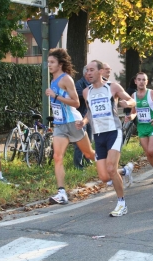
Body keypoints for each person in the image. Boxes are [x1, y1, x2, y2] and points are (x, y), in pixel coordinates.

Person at [78, 60, 135, 217]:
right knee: (104, 176)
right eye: (87, 70)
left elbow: (132, 101)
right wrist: (83, 121)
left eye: (91, 70)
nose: (88, 73)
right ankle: (125, 170)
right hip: (98, 135)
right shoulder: (86, 92)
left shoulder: (112, 87)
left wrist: (126, 102)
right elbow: (89, 112)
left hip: (113, 132)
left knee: (110, 168)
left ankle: (122, 203)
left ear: (100, 71)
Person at [45, 48, 96, 205]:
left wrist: (56, 96)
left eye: (52, 62)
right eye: (48, 62)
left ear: (60, 64)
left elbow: (76, 102)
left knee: (89, 155)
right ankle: (61, 193)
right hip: (60, 125)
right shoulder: (53, 80)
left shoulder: (66, 79)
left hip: (73, 122)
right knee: (57, 157)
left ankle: (119, 170)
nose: (49, 65)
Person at [127, 72, 153, 184]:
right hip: (141, 127)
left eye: (143, 80)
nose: (141, 82)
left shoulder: (152, 93)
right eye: (139, 79)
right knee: (148, 153)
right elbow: (134, 112)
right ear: (135, 81)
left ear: (147, 82)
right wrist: (130, 117)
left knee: (152, 151)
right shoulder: (133, 96)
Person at [73, 65, 93, 170]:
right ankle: (78, 165)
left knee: (89, 139)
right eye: (89, 72)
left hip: (88, 116)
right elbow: (80, 95)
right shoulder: (79, 84)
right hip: (80, 116)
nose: (91, 74)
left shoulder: (91, 84)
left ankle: (88, 160)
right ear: (85, 73)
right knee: (80, 141)